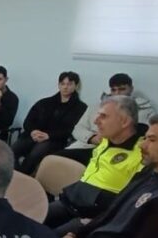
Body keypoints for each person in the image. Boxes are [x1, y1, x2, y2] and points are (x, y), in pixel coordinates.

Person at [45, 96, 146, 231]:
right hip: (76, 201)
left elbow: (132, 203)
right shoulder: (107, 140)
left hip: (100, 215)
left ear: (125, 121)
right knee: (30, 219)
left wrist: (100, 220)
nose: (95, 121)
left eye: (103, 116)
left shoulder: (142, 153)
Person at [64, 73, 156, 163]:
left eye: (122, 89)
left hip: (120, 151)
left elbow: (149, 136)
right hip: (88, 145)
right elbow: (78, 129)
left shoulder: (144, 110)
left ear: (131, 89)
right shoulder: (96, 107)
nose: (117, 93)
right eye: (113, 90)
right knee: (57, 158)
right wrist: (92, 138)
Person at [12, 72, 87, 175]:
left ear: (76, 86)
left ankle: (23, 176)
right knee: (13, 149)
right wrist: (33, 131)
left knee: (36, 153)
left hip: (55, 140)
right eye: (62, 83)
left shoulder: (80, 108)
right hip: (33, 135)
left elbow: (72, 129)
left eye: (69, 84)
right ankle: (12, 174)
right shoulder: (45, 102)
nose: (65, 87)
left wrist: (48, 135)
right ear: (59, 85)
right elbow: (28, 121)